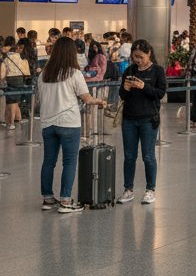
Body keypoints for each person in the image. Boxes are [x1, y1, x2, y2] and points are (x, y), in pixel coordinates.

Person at [37, 36, 107, 213]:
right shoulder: (74, 73)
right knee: (69, 162)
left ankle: (47, 198)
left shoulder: (43, 74)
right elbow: (86, 98)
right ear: (71, 53)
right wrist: (100, 101)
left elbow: (41, 99)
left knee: (48, 162)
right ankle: (66, 201)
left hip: (47, 123)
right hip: (68, 123)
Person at [115, 39, 167, 205]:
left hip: (148, 119)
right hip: (129, 119)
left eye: (140, 56)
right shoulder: (129, 70)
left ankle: (150, 189)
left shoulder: (157, 71)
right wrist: (126, 89)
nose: (137, 60)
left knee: (148, 156)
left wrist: (144, 86)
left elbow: (160, 93)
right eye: (134, 56)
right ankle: (128, 189)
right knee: (129, 156)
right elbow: (122, 95)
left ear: (149, 53)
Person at [1, 37, 30, 129]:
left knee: (11, 102)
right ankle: (18, 118)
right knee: (16, 100)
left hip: (11, 80)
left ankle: (11, 123)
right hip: (20, 79)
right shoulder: (20, 57)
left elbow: (2, 74)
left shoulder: (6, 59)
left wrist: (2, 79)